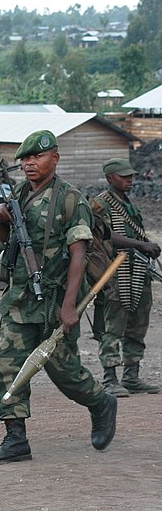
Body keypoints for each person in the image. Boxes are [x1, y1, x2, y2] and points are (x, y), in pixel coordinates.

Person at [0, 130, 117, 465]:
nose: (30, 163)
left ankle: (101, 403)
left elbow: (79, 256)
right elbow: (6, 242)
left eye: (37, 157)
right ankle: (16, 439)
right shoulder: (19, 194)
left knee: (64, 370)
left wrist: (70, 305)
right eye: (25, 159)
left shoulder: (71, 199)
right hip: (19, 298)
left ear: (54, 158)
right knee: (8, 366)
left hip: (56, 297)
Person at [90, 158, 160, 397]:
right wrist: (142, 244)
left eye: (131, 176)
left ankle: (131, 376)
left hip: (138, 271)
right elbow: (106, 236)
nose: (130, 180)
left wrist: (146, 246)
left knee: (137, 325)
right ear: (110, 178)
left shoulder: (128, 204)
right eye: (124, 176)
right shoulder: (100, 204)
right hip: (115, 272)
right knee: (113, 326)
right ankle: (110, 378)